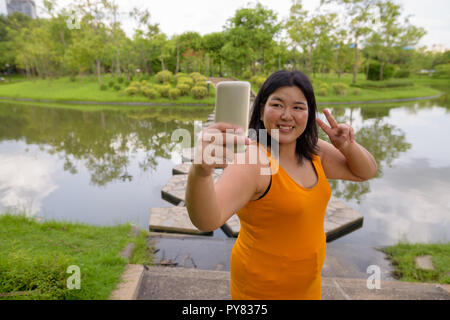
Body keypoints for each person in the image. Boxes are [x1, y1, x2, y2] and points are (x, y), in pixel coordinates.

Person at [185, 70, 378, 300]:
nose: (287, 116)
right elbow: (207, 220)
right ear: (260, 109)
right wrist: (200, 172)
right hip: (261, 290)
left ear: (309, 112)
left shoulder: (314, 151)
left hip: (308, 287)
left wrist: (347, 146)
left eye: (298, 107)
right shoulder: (254, 161)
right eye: (277, 105)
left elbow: (366, 171)